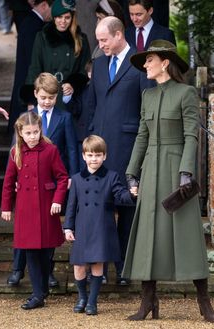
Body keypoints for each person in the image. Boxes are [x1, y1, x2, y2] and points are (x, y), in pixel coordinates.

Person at [122, 39, 214, 323]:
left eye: (149, 60)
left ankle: (204, 301)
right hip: (151, 169)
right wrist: (131, 172)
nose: (146, 65)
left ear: (165, 62)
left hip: (177, 169)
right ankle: (148, 301)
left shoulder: (186, 93)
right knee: (148, 234)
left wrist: (186, 172)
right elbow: (142, 136)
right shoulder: (147, 96)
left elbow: (192, 135)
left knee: (187, 232)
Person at [88, 16, 146, 285]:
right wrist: (86, 143)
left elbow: (146, 111)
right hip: (98, 150)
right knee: (99, 208)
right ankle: (97, 270)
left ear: (119, 34)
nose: (100, 46)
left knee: (126, 208)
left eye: (103, 40)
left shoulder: (140, 64)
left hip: (126, 147)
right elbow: (92, 105)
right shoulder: (99, 64)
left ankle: (124, 268)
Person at [7, 72, 79, 287]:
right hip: (28, 184)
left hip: (50, 184)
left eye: (52, 98)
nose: (47, 102)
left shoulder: (64, 117)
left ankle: (47, 273)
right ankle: (17, 270)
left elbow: (72, 149)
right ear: (36, 94)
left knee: (47, 229)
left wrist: (73, 177)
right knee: (24, 229)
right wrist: (18, 176)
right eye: (43, 97)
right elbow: (15, 148)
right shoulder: (24, 118)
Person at [1, 111, 68, 310]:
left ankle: (43, 289)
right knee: (30, 252)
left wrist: (57, 200)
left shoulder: (50, 150)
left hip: (47, 206)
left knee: (46, 252)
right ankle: (38, 294)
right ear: (20, 133)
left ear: (40, 130)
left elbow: (63, 178)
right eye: (28, 133)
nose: (32, 137)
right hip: (25, 208)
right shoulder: (16, 152)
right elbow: (8, 181)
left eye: (36, 132)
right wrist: (6, 206)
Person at [63, 135, 136, 315]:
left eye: (97, 155)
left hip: (102, 227)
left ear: (104, 156)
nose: (94, 159)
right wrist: (67, 227)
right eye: (90, 155)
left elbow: (120, 196)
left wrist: (132, 194)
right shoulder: (77, 179)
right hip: (82, 227)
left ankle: (93, 301)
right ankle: (82, 297)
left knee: (97, 264)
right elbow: (71, 206)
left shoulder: (111, 177)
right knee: (79, 265)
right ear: (83, 156)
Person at [22, 0, 91, 112]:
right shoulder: (42, 37)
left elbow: (85, 69)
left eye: (67, 17)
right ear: (54, 18)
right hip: (46, 97)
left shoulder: (81, 39)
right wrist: (31, 101)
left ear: (72, 18)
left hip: (69, 98)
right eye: (59, 17)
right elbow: (34, 68)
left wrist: (73, 84)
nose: (63, 21)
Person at [8, 0, 53, 135]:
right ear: (44, 5)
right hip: (28, 81)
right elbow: (33, 61)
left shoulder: (30, 23)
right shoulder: (34, 26)